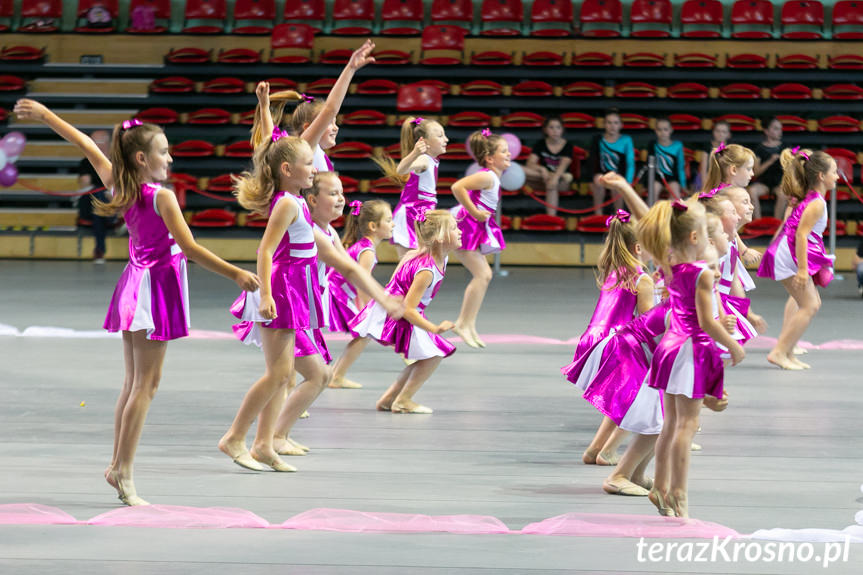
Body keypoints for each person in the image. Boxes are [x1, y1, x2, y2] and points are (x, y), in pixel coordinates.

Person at [13, 99, 261, 506]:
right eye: (164, 151)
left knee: (133, 384)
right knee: (145, 385)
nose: (171, 157)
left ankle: (117, 466)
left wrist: (44, 116)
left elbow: (85, 145)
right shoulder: (161, 196)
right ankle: (123, 471)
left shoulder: (120, 184)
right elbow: (190, 248)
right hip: (155, 288)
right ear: (143, 157)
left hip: (134, 283)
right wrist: (236, 273)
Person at [221, 135, 400, 472]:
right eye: (308, 162)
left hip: (295, 290)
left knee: (286, 374)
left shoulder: (298, 204)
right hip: (284, 289)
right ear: (287, 169)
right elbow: (265, 250)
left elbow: (340, 262)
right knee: (279, 375)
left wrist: (381, 297)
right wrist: (268, 295)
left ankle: (263, 444)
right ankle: (235, 437)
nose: (315, 167)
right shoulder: (287, 204)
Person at [639, 197, 745, 519]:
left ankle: (659, 485)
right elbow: (706, 322)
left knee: (670, 424)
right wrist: (733, 345)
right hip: (691, 349)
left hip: (670, 347)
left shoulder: (669, 266)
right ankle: (679, 492)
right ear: (696, 239)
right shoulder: (702, 273)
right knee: (687, 425)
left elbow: (647, 226)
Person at [561, 207, 654, 466]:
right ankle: (609, 452)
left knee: (625, 395)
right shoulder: (642, 278)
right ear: (637, 248)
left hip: (593, 339)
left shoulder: (615, 270)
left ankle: (594, 449)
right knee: (644, 397)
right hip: (617, 342)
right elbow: (648, 323)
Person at [350, 210, 461, 414]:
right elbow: (409, 308)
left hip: (395, 308)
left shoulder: (426, 256)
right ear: (438, 237)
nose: (460, 232)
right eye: (454, 228)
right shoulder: (426, 269)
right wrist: (433, 328)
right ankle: (403, 400)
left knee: (428, 355)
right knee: (434, 354)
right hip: (399, 311)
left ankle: (389, 399)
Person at [758, 148, 837, 370]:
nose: (838, 177)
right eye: (834, 172)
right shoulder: (817, 203)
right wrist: (803, 269)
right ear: (821, 176)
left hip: (788, 251)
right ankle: (779, 352)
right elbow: (801, 234)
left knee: (810, 303)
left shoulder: (815, 197)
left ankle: (787, 351)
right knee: (810, 304)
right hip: (788, 254)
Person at [449, 129, 510, 349]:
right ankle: (463, 323)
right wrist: (474, 212)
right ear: (490, 158)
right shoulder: (487, 175)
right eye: (504, 151)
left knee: (484, 275)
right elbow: (457, 187)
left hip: (472, 225)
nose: (509, 154)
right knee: (483, 274)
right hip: (465, 225)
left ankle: (468, 323)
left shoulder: (494, 177)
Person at [328, 199, 395, 389]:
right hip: (336, 294)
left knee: (364, 334)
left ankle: (336, 376)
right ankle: (335, 376)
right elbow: (362, 284)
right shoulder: (367, 251)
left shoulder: (366, 246)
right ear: (374, 226)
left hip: (338, 292)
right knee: (364, 332)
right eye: (389, 220)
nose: (393, 224)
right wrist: (366, 312)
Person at [375, 116, 448, 259]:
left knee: (421, 264)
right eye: (440, 135)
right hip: (411, 215)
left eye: (444, 134)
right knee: (409, 266)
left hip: (422, 214)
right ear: (424, 142)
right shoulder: (424, 159)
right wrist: (415, 153)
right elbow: (401, 169)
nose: (446, 139)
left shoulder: (431, 160)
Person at [77, 130, 115, 263]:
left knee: (105, 198)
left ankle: (99, 250)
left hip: (114, 201)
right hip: (91, 203)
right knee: (98, 197)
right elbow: (84, 184)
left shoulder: (118, 162)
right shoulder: (86, 162)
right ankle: (114, 220)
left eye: (97, 142)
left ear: (108, 144)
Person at [523, 116, 573, 216]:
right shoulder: (540, 144)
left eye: (558, 127)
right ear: (545, 130)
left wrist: (553, 177)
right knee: (519, 169)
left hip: (561, 181)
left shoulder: (568, 145)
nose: (555, 131)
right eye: (551, 127)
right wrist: (542, 169)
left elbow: (563, 166)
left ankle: (552, 217)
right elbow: (530, 163)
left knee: (552, 183)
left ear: (562, 130)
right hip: (542, 178)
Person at [590, 109, 634, 215]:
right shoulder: (598, 139)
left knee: (617, 183)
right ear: (604, 124)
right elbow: (592, 161)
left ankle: (618, 214)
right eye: (609, 122)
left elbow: (630, 163)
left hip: (618, 175)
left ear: (620, 125)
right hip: (602, 174)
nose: (612, 126)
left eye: (615, 123)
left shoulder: (626, 140)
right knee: (598, 180)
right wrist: (590, 179)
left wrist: (628, 181)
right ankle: (598, 213)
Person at [748, 117, 785, 220]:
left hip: (779, 183)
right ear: (766, 131)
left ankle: (777, 223)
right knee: (752, 191)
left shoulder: (785, 148)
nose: (779, 131)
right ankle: (758, 221)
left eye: (780, 129)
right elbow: (756, 172)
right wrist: (770, 161)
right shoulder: (759, 149)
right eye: (776, 129)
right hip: (764, 183)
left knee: (783, 194)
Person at [648, 117, 686, 199]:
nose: (662, 133)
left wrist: (683, 184)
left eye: (665, 129)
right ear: (655, 131)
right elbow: (649, 165)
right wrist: (645, 184)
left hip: (672, 178)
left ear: (671, 130)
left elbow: (680, 166)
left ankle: (671, 212)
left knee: (676, 195)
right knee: (653, 193)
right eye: (659, 130)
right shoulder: (653, 145)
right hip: (657, 178)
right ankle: (652, 211)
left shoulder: (677, 145)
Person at [697, 120, 730, 190]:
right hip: (708, 179)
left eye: (724, 132)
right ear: (713, 132)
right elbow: (703, 170)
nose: (720, 134)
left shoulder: (731, 149)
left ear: (728, 134)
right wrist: (705, 188)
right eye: (717, 131)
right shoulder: (707, 147)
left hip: (724, 181)